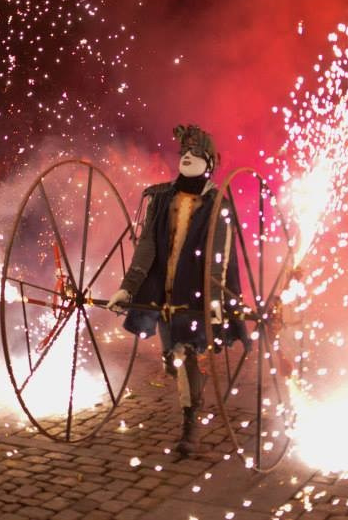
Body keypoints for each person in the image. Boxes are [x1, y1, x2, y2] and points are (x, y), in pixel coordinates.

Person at [109, 125, 248, 456]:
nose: (187, 157)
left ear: (209, 163)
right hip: (163, 294)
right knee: (174, 353)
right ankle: (176, 364)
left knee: (184, 353)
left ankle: (190, 424)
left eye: (196, 154)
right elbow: (146, 247)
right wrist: (128, 289)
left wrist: (215, 299)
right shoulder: (161, 199)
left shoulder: (217, 204)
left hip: (195, 296)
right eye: (184, 152)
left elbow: (219, 256)